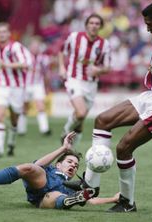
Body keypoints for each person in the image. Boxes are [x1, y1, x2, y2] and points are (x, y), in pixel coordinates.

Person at [65, 2, 152, 212]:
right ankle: (90, 186)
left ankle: (127, 202)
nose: (147, 27)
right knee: (103, 120)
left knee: (124, 148)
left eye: (149, 23)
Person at [0, 132, 119, 209]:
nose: (73, 166)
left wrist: (113, 199)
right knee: (31, 167)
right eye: (69, 162)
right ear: (59, 165)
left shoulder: (73, 184)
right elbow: (38, 165)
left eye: (76, 166)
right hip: (42, 182)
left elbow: (91, 200)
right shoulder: (51, 170)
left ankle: (69, 201)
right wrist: (63, 149)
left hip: (49, 197)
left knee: (57, 195)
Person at [58, 13, 111, 147]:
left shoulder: (104, 44)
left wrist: (98, 70)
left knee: (80, 121)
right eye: (91, 23)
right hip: (74, 79)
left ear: (100, 26)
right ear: (86, 25)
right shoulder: (75, 37)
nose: (94, 26)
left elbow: (107, 67)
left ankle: (70, 150)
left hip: (91, 84)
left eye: (97, 24)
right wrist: (61, 68)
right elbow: (61, 50)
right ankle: (65, 131)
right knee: (80, 113)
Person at [0, 22, 33, 157]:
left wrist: (7, 65)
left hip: (17, 87)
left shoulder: (16, 47)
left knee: (14, 118)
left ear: (9, 33)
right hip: (0, 86)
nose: (1, 34)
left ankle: (11, 144)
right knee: (0, 115)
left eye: (4, 31)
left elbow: (26, 63)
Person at [17, 36, 51, 136]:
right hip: (25, 85)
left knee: (40, 106)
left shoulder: (44, 58)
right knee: (24, 108)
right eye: (34, 46)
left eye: (37, 46)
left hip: (38, 85)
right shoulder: (25, 57)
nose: (35, 48)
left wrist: (47, 86)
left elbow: (46, 73)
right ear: (30, 46)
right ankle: (21, 130)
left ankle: (45, 129)